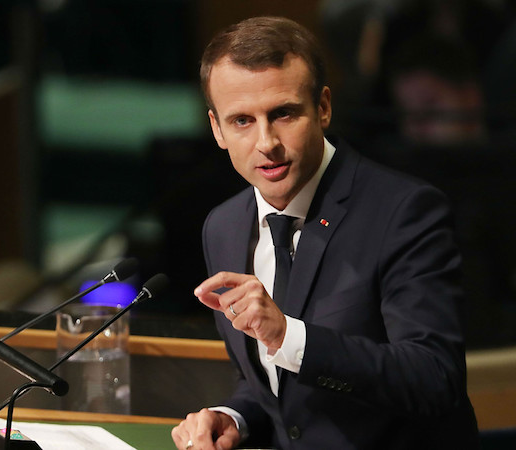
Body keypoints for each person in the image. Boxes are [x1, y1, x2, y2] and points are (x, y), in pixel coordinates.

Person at [171, 16, 479, 450]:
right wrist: (235, 417)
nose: (266, 142)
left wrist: (287, 335)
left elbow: (433, 378)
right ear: (217, 129)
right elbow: (274, 386)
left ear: (323, 108)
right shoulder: (223, 226)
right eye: (241, 121)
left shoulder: (405, 212)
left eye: (283, 113)